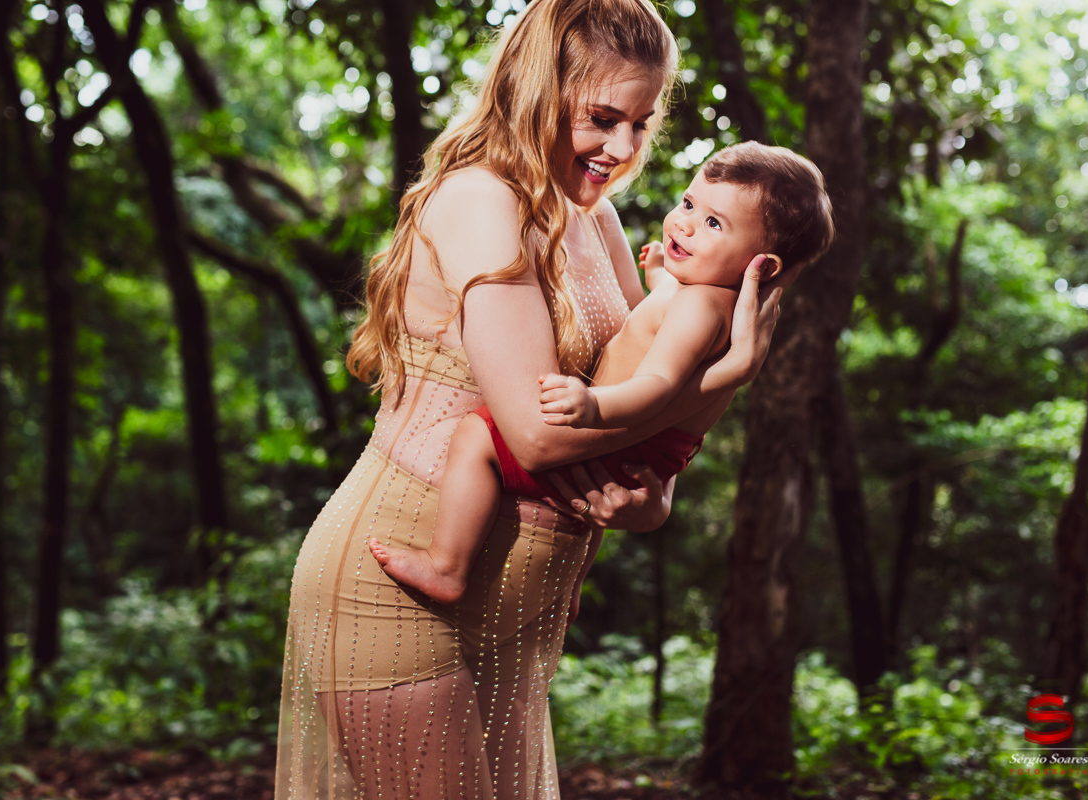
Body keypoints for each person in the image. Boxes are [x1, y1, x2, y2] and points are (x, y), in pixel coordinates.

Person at [274, 1, 790, 797]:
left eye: (641, 123)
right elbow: (537, 437)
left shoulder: (596, 217)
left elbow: (640, 405)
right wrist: (729, 374)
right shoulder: (484, 201)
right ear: (538, 89)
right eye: (602, 118)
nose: (624, 149)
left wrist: (650, 499)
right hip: (398, 594)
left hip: (518, 615)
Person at [366, 142, 834, 606]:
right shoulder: (709, 298)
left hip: (628, 430)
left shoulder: (698, 305)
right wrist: (657, 275)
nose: (684, 223)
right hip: (650, 450)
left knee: (476, 436)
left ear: (762, 265)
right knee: (594, 501)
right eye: (689, 204)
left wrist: (593, 405)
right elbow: (664, 320)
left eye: (714, 223)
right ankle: (571, 586)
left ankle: (447, 564)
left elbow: (659, 384)